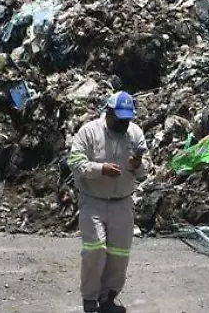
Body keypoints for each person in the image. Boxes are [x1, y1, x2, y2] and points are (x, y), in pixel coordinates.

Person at [67, 91, 148, 313]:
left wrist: (136, 165)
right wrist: (100, 169)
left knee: (119, 253)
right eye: (119, 118)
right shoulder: (89, 132)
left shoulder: (135, 134)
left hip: (122, 201)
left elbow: (145, 170)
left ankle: (108, 298)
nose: (124, 123)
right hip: (93, 200)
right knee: (95, 249)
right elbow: (75, 162)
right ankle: (90, 299)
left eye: (127, 119)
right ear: (109, 112)